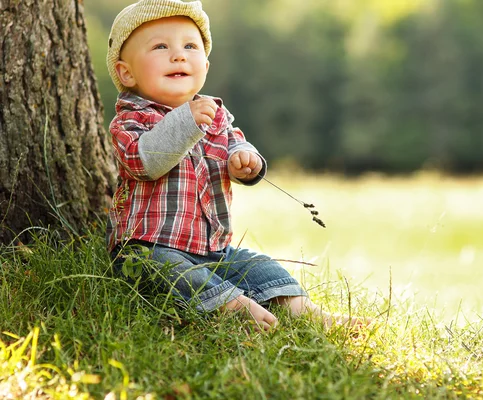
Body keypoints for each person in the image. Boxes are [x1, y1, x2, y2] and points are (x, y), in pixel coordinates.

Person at [105, 0, 367, 332]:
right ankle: (230, 307)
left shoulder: (215, 114)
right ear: (126, 72)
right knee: (167, 270)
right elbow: (143, 162)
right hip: (147, 247)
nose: (178, 55)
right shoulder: (132, 119)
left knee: (260, 266)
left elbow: (236, 144)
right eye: (160, 46)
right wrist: (186, 122)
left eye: (190, 46)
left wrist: (246, 160)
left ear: (206, 65)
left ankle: (305, 311)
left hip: (213, 249)